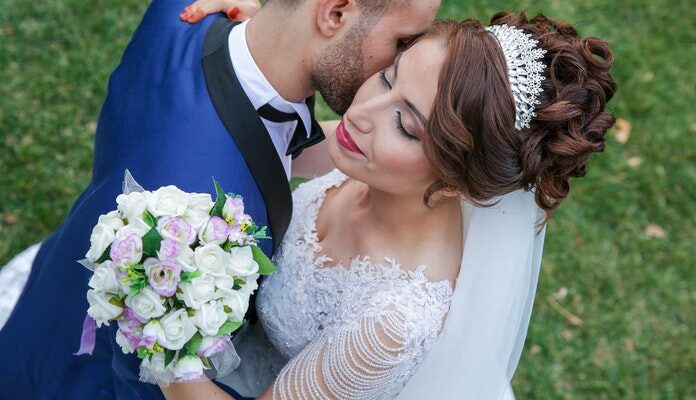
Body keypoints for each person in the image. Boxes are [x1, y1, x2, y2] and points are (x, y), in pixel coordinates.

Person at [159, 10, 617, 400]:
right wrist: (256, 30)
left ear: (459, 183)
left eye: (405, 125)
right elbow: (268, 135)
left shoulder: (393, 324)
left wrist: (159, 321)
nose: (360, 113)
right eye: (387, 77)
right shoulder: (366, 152)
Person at [0, 0, 439, 398]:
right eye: (403, 41)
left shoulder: (184, 11)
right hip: (92, 376)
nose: (406, 59)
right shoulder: (202, 220)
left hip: (51, 289)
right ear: (335, 13)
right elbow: (144, 376)